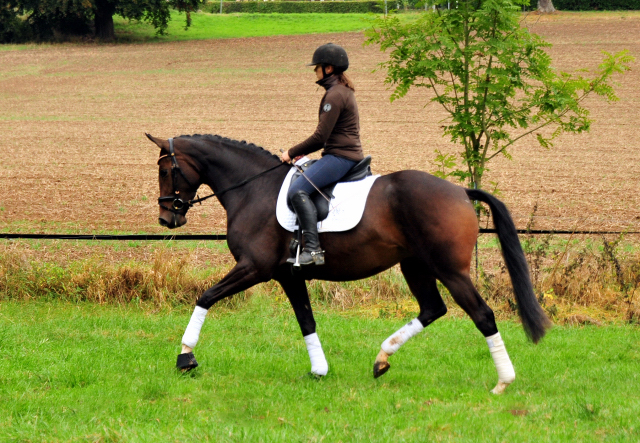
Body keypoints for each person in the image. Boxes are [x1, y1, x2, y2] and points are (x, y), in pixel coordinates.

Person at [281, 43, 365, 266]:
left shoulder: (335, 95)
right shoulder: (341, 90)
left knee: (298, 190)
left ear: (328, 69)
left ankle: (313, 250)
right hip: (341, 155)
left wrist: (291, 152)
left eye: (317, 66)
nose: (314, 71)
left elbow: (320, 137)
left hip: (341, 158)